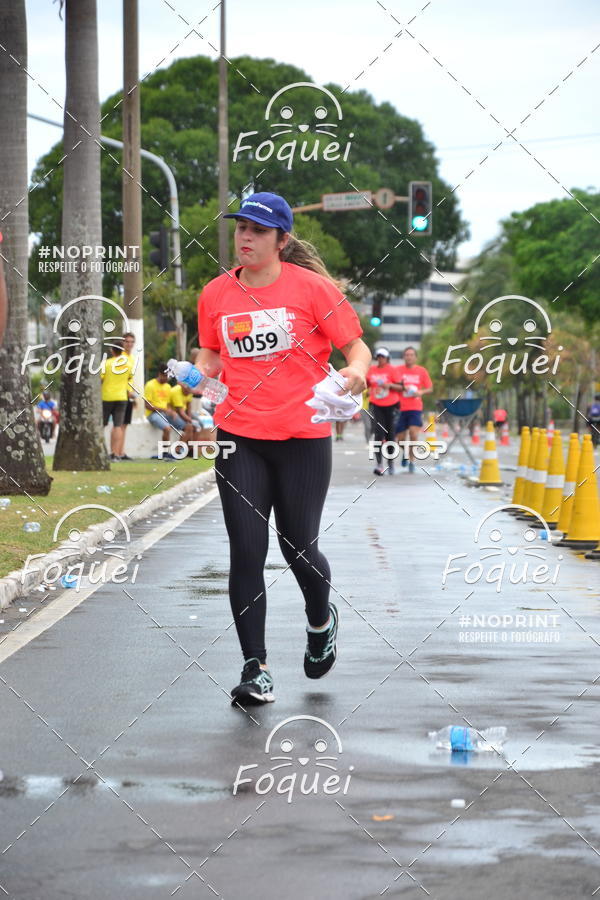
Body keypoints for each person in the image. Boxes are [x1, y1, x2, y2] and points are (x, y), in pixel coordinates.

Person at [197, 191, 370, 706]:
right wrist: (198, 375)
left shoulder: (312, 290)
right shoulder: (215, 294)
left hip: (303, 436)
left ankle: (321, 621)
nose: (245, 238)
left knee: (298, 545)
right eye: (240, 228)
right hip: (239, 435)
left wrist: (356, 374)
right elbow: (210, 355)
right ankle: (257, 668)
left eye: (257, 231)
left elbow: (355, 347)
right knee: (247, 550)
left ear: (281, 240)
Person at [394, 346, 433, 473]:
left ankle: (411, 460)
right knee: (400, 439)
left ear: (415, 357)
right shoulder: (397, 370)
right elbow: (392, 385)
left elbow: (430, 388)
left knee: (413, 434)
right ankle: (405, 453)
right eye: (406, 355)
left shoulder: (421, 371)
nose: (409, 357)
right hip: (400, 407)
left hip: (415, 407)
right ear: (403, 357)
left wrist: (421, 391)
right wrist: (401, 388)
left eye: (411, 355)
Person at [366, 347, 400, 475]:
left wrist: (389, 385)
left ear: (387, 358)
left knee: (390, 435)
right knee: (378, 434)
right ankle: (379, 464)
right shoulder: (372, 370)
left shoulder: (393, 370)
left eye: (383, 357)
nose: (381, 359)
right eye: (379, 356)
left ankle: (390, 462)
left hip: (391, 405)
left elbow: (401, 387)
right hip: (376, 404)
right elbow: (366, 384)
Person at [101, 340, 135, 461]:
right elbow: (130, 379)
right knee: (118, 425)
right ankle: (115, 454)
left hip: (107, 397)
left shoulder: (106, 364)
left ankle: (100, 450)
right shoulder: (128, 364)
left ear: (112, 350)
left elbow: (100, 379)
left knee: (102, 424)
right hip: (122, 397)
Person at [144, 363, 186, 447]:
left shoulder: (167, 386)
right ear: (160, 374)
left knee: (188, 427)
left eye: (168, 376)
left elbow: (168, 404)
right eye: (165, 376)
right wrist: (164, 410)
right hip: (152, 414)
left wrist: (172, 411)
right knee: (167, 429)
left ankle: (179, 451)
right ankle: (165, 453)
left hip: (165, 413)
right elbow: (147, 405)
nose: (167, 378)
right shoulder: (150, 385)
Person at [120, 331, 137, 460]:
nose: (129, 344)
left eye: (131, 342)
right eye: (127, 341)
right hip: (122, 393)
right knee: (119, 424)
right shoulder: (121, 358)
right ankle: (117, 452)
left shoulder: (131, 358)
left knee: (124, 424)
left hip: (129, 394)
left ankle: (121, 451)